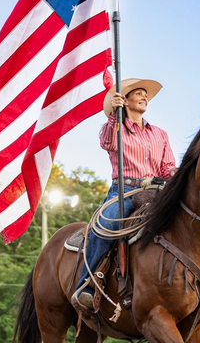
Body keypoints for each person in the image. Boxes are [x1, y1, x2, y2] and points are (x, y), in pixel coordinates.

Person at [72, 78, 177, 311]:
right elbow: (107, 142)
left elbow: (167, 167)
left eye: (145, 94)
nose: (144, 97)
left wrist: (178, 173)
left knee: (189, 220)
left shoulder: (160, 133)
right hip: (125, 191)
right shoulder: (115, 128)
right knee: (105, 226)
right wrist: (114, 115)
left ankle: (198, 289)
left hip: (155, 192)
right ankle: (86, 286)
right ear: (125, 100)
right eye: (138, 93)